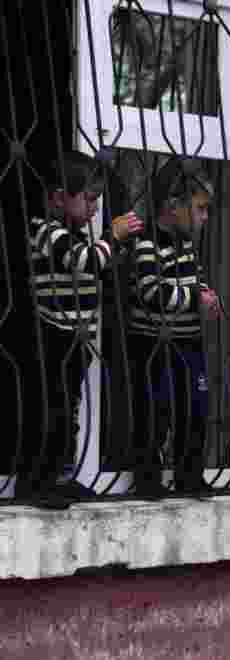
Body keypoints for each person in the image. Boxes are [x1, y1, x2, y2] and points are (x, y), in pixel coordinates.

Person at [19, 151, 143, 508]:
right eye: (88, 199)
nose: (93, 208)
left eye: (97, 200)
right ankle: (36, 482)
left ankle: (58, 475)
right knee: (49, 411)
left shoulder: (70, 233)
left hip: (73, 338)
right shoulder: (45, 230)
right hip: (50, 336)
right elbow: (85, 261)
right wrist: (112, 236)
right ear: (58, 197)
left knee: (67, 412)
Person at [126, 158, 223, 498]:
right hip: (154, 345)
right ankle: (149, 480)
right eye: (199, 209)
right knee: (156, 413)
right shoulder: (148, 243)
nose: (204, 218)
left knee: (195, 410)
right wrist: (195, 297)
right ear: (173, 205)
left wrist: (207, 297)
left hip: (188, 342)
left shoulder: (185, 246)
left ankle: (189, 476)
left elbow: (192, 283)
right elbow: (151, 292)